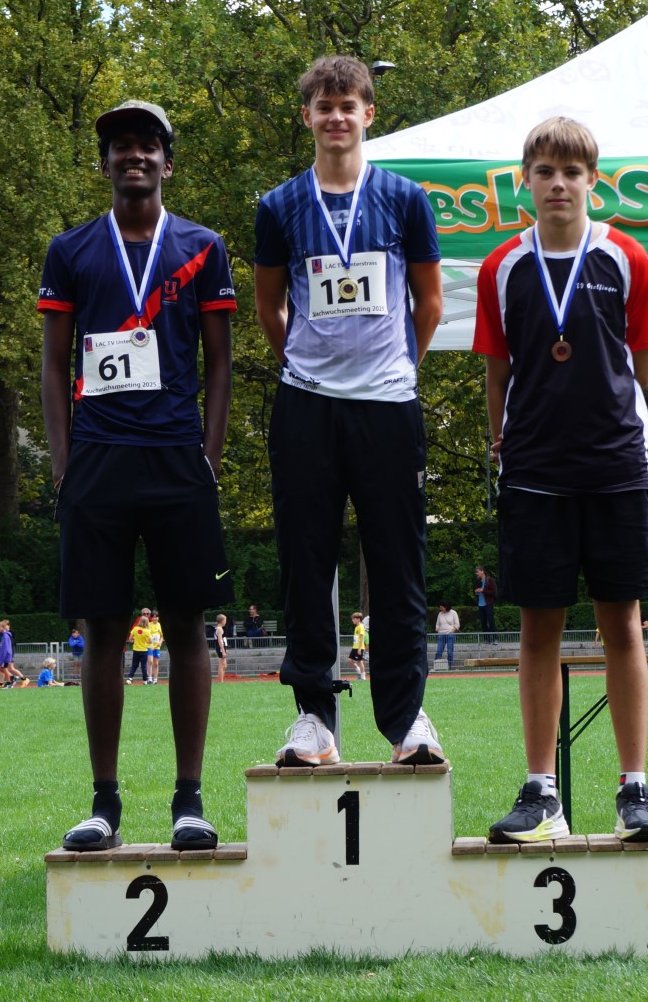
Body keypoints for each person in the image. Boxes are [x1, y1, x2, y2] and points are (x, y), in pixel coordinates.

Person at [38, 98, 235, 852]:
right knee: (103, 628)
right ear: (104, 164)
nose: (135, 155)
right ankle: (104, 803)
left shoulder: (202, 246)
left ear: (167, 163)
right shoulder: (71, 250)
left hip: (177, 459)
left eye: (148, 145)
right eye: (121, 145)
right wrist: (64, 461)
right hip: (98, 460)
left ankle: (189, 800)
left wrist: (209, 455)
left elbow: (220, 362)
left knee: (186, 625)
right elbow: (53, 364)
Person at [474, 117, 648, 845]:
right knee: (538, 631)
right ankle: (541, 791)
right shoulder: (502, 266)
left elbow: (640, 363)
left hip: (616, 465)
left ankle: (634, 788)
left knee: (623, 624)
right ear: (524, 181)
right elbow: (497, 372)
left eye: (571, 172)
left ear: (593, 181)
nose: (558, 184)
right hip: (534, 471)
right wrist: (505, 443)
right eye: (545, 172)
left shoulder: (625, 256)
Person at [254, 54, 445, 767]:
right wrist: (309, 366)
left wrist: (393, 369)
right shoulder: (279, 206)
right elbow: (270, 307)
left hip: (388, 404)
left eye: (348, 105)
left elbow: (429, 303)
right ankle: (314, 718)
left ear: (369, 113)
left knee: (399, 566)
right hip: (306, 404)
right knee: (305, 565)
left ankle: (406, 719)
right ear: (306, 116)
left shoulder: (404, 199)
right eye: (324, 105)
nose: (336, 116)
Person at [0, 619, 27, 688]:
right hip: (6, 656)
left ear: (4, 627)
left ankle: (11, 681)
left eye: (0, 627)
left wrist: (4, 657)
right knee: (2, 669)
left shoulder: (6, 635)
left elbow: (7, 648)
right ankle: (11, 679)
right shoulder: (4, 635)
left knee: (5, 669)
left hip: (7, 656)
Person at [126, 609, 152, 684]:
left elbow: (130, 639)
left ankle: (130, 678)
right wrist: (146, 641)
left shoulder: (135, 629)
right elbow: (150, 641)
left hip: (136, 650)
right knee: (144, 666)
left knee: (134, 665)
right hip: (144, 651)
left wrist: (134, 640)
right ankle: (145, 680)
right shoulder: (147, 631)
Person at [474, 567, 498, 643]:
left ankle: (495, 638)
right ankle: (486, 639)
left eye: (477, 572)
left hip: (488, 604)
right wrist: (476, 591)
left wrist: (483, 590)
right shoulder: (478, 581)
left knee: (491, 621)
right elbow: (476, 591)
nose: (476, 573)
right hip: (480, 604)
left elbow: (494, 592)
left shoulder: (490, 580)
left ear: (482, 571)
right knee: (483, 622)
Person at [434, 602, 460, 667]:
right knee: (439, 650)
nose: (440, 609)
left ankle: (450, 666)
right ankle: (436, 666)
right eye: (440, 607)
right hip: (441, 634)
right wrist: (438, 630)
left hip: (450, 634)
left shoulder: (453, 613)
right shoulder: (440, 614)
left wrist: (452, 631)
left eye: (441, 607)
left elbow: (457, 624)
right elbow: (437, 625)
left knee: (450, 651)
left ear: (445, 606)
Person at [347, 611, 369, 681]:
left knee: (360, 661)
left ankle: (363, 677)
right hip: (355, 647)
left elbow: (362, 638)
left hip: (359, 647)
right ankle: (359, 672)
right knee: (350, 660)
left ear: (358, 619)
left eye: (354, 619)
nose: (352, 620)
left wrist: (359, 648)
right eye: (352, 619)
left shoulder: (361, 626)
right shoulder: (356, 627)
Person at [146, 609, 164, 685]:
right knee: (150, 661)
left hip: (157, 647)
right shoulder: (149, 624)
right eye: (153, 617)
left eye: (156, 617)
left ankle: (155, 679)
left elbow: (162, 636)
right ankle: (149, 678)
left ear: (158, 618)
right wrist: (151, 644)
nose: (155, 618)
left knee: (156, 663)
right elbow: (147, 635)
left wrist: (160, 642)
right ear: (151, 618)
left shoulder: (160, 625)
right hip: (150, 646)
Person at [211, 613, 228, 682]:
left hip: (222, 647)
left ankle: (221, 680)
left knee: (225, 665)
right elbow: (220, 641)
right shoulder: (219, 629)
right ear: (222, 621)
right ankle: (221, 681)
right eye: (225, 620)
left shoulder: (219, 628)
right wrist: (223, 651)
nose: (226, 621)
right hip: (221, 648)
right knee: (222, 664)